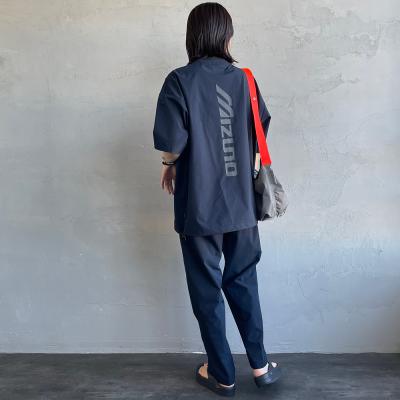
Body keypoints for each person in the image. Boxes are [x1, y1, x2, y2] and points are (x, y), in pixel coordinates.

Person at [152, 2, 282, 397]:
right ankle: (260, 366)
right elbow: (259, 132)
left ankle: (222, 374)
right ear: (227, 36)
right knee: (244, 281)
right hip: (241, 202)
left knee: (206, 288)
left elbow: (172, 142)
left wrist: (168, 165)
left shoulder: (179, 81)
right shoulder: (245, 80)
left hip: (199, 204)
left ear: (192, 36)